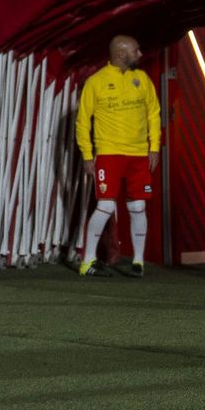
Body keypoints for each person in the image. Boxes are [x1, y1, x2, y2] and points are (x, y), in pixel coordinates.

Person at [75, 34, 160, 278]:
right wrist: (87, 155)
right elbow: (83, 121)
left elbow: (153, 114)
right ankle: (88, 261)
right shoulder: (97, 82)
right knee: (105, 205)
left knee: (138, 206)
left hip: (138, 154)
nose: (140, 54)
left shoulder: (142, 79)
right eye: (136, 50)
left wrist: (154, 147)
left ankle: (138, 262)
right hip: (109, 153)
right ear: (121, 54)